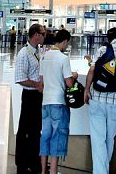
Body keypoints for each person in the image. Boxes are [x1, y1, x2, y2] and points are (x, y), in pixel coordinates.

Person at [83, 27, 116, 174]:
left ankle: (101, 171)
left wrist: (86, 89)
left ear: (108, 38)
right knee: (109, 139)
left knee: (98, 140)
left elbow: (92, 70)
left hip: (98, 99)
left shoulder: (103, 50)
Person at [39, 29, 78, 174]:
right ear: (65, 41)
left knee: (45, 137)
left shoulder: (44, 56)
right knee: (57, 136)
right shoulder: (63, 58)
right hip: (59, 103)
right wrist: (74, 76)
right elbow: (69, 83)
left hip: (45, 102)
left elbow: (42, 80)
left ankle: (43, 170)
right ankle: (54, 171)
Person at [14, 24, 46, 174]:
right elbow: (20, 78)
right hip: (29, 96)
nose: (45, 36)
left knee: (35, 129)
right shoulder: (24, 53)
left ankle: (34, 162)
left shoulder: (37, 51)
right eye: (43, 33)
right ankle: (22, 164)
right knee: (25, 130)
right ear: (36, 35)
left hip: (38, 96)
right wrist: (36, 85)